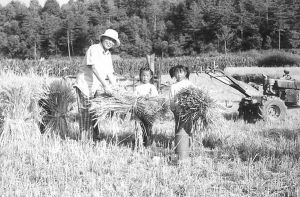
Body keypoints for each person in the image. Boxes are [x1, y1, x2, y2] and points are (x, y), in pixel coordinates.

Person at [74, 29, 120, 140]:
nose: (110, 42)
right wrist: (105, 85)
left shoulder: (108, 54)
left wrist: (115, 87)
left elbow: (109, 72)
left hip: (95, 87)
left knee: (95, 113)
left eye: (113, 41)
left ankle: (95, 137)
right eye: (109, 39)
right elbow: (93, 67)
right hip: (85, 85)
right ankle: (85, 140)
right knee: (85, 113)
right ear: (103, 38)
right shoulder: (93, 49)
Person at [169, 65, 196, 161]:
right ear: (174, 74)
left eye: (181, 72)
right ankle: (178, 151)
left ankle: (188, 148)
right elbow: (172, 99)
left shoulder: (189, 84)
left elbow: (197, 93)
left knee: (189, 128)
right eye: (176, 72)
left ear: (185, 73)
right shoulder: (173, 86)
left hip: (188, 111)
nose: (179, 74)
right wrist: (173, 109)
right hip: (178, 111)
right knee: (178, 128)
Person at [134, 66, 158, 147]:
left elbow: (156, 97)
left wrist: (149, 97)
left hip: (149, 111)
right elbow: (134, 97)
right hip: (140, 111)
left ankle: (148, 143)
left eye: (147, 76)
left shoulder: (152, 87)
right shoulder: (137, 87)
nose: (145, 77)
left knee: (148, 127)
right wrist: (140, 98)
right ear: (140, 76)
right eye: (143, 75)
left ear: (150, 77)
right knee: (140, 126)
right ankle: (139, 143)